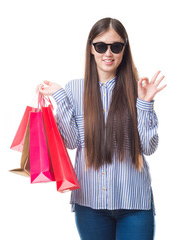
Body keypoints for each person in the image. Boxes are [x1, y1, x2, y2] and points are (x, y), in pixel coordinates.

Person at [39, 17, 166, 240]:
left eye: (116, 47)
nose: (108, 53)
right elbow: (71, 142)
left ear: (124, 50)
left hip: (134, 204)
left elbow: (148, 147)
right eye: (101, 46)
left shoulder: (136, 88)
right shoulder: (75, 89)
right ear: (91, 49)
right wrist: (60, 96)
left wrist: (145, 103)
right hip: (90, 205)